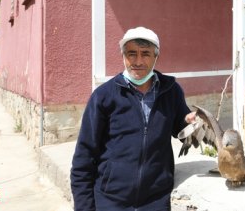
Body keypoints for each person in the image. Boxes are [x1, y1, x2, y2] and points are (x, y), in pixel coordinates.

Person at [71, 27, 195, 211]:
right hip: (111, 201)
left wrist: (192, 123)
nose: (138, 61)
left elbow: (181, 132)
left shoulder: (171, 91)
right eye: (131, 54)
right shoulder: (104, 96)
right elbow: (84, 158)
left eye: (145, 54)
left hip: (156, 201)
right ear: (123, 57)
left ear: (156, 57)